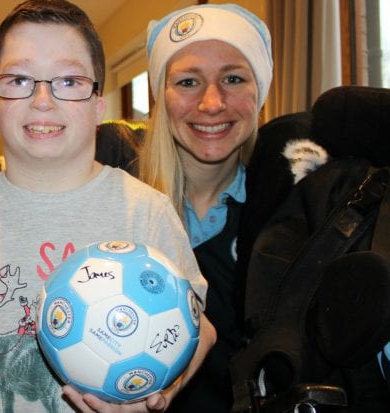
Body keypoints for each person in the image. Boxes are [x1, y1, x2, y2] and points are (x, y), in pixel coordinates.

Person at [0, 1, 216, 412]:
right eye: (18, 79)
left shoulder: (146, 211)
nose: (43, 100)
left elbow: (202, 329)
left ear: (99, 104)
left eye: (68, 81)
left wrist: (162, 396)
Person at [137, 4, 273, 412]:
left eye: (233, 78)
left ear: (259, 91)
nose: (212, 103)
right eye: (189, 81)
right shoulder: (122, 207)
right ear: (161, 95)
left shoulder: (287, 217)